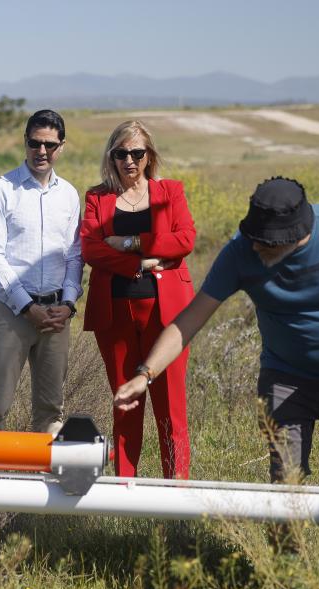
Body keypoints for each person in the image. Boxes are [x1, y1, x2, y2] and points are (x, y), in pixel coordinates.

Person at [114, 177, 319, 554]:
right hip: (285, 383)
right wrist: (144, 374)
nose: (258, 248)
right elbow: (188, 321)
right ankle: (288, 581)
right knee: (284, 488)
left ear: (298, 236)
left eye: (268, 243)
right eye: (256, 238)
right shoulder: (240, 253)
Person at [81, 120, 196, 478]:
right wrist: (138, 265)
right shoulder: (97, 197)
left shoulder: (170, 192)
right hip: (116, 314)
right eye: (121, 154)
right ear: (111, 157)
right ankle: (125, 488)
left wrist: (132, 243)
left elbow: (185, 241)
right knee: (125, 403)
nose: (129, 161)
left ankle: (176, 491)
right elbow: (91, 248)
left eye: (137, 153)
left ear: (149, 156)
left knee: (171, 407)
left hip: (168, 316)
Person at [0, 109, 83, 435]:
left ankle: (44, 484)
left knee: (51, 412)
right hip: (11, 313)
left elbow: (75, 256)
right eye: (36, 143)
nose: (42, 151)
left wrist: (67, 304)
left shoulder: (68, 194)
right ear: (25, 143)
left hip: (55, 315)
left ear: (61, 147)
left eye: (50, 145)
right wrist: (26, 307)